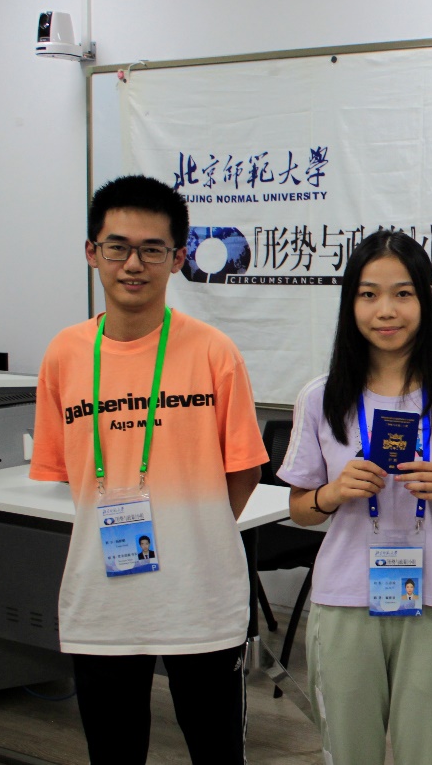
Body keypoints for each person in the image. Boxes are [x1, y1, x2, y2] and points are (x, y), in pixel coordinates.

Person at [29, 175, 267, 764]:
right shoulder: (63, 354)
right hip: (103, 604)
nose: (133, 264)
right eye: (118, 247)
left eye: (152, 249)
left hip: (201, 601)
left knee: (217, 752)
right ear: (92, 253)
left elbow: (243, 471)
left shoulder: (214, 352)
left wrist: (194, 535)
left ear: (178, 259)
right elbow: (71, 475)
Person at [278, 229, 432, 765]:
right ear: (350, 303)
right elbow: (300, 510)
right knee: (348, 750)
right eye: (368, 294)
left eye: (403, 293)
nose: (386, 310)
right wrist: (334, 492)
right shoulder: (320, 396)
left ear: (426, 300)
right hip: (344, 597)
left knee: (427, 751)